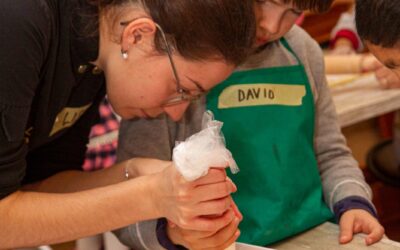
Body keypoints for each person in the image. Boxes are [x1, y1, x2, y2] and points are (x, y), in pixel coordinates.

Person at [114, 0, 386, 249]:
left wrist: (353, 202)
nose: (271, 25)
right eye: (264, 1)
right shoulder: (178, 66)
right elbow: (127, 207)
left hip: (310, 234)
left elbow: (331, 154)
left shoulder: (303, 51)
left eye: (293, 11)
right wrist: (170, 235)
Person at [0, 0, 256, 248]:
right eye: (182, 89)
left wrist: (138, 171)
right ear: (137, 36)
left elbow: (44, 187)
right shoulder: (18, 19)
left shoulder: (96, 58)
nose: (177, 113)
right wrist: (152, 196)